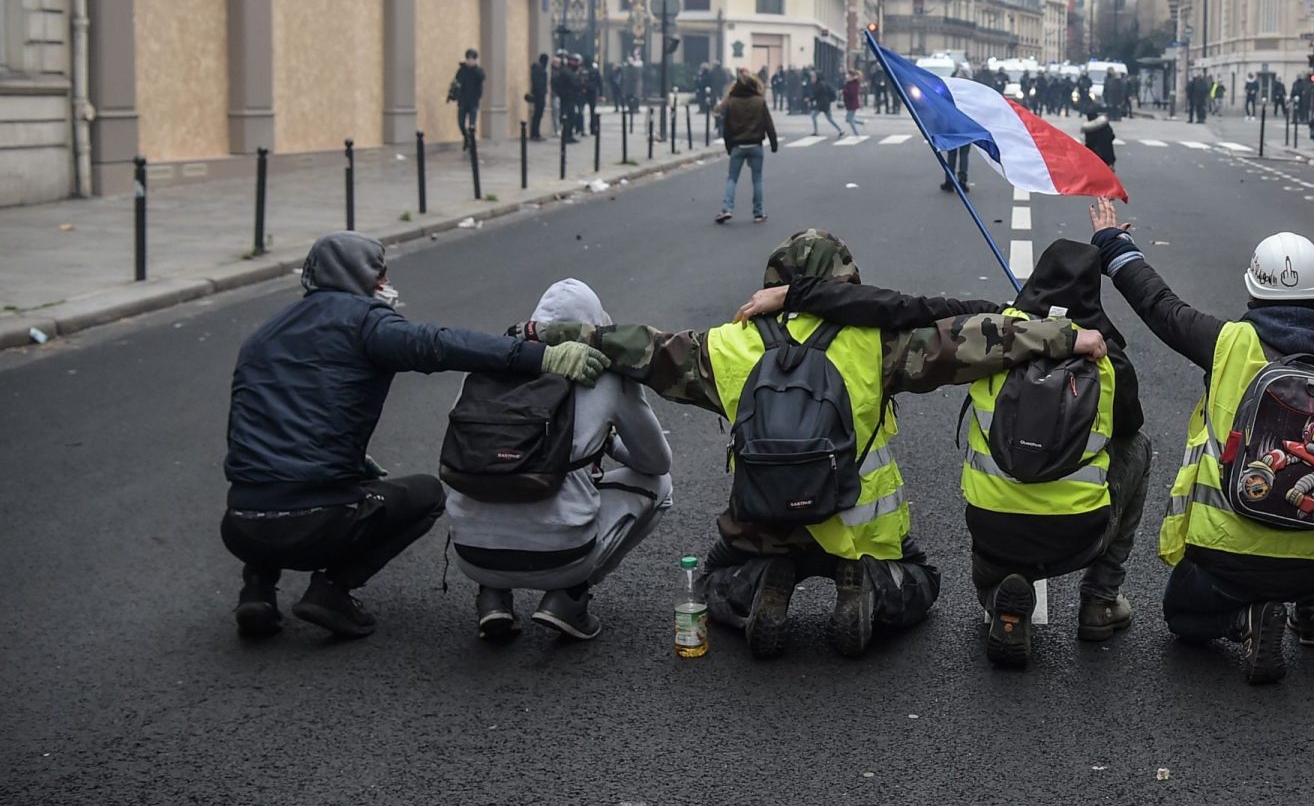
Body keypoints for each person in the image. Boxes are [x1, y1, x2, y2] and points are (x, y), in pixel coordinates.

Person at [529, 230, 1109, 660]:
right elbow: (981, 338)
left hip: (762, 526)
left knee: (711, 581)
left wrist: (546, 335)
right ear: (846, 288)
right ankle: (869, 589)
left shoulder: (731, 344)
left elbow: (644, 348)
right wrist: (1066, 336)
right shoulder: (876, 343)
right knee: (922, 579)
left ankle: (763, 583)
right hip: (861, 530)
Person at [739, 238, 1150, 666]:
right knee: (1138, 447)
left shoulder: (993, 329)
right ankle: (1099, 601)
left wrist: (796, 293)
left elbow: (898, 307)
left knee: (999, 520)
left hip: (996, 534)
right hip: (1079, 537)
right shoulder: (1108, 357)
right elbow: (1127, 429)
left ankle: (1000, 600)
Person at [220, 232, 608, 640]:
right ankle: (331, 590)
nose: (385, 283)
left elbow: (253, 424)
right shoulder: (365, 323)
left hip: (241, 525)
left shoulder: (262, 336)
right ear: (363, 275)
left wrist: (347, 460)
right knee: (425, 494)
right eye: (380, 273)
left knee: (269, 485)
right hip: (317, 524)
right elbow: (442, 345)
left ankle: (257, 590)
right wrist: (540, 356)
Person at [1087, 207, 1314, 684]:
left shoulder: (1226, 345)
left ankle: (1247, 621)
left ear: (1254, 290)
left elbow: (1159, 305)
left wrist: (1112, 244)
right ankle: (1313, 613)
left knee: (1184, 618)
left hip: (1230, 555)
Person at [447, 279, 672, 641]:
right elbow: (656, 462)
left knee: (493, 478)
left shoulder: (486, 364)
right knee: (661, 486)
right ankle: (571, 595)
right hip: (560, 559)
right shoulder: (607, 376)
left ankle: (492, 596)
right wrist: (606, 442)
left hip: (471, 555)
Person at [716, 69, 778, 224]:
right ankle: (758, 212)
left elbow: (727, 127)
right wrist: (773, 143)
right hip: (755, 145)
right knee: (757, 179)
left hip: (738, 145)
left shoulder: (731, 101)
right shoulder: (759, 101)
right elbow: (768, 124)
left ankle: (727, 209)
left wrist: (729, 146)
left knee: (732, 179)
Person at [450, 48, 485, 150]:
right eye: (468, 58)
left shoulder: (478, 71)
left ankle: (471, 143)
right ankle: (466, 138)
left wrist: (474, 68)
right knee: (461, 123)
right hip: (463, 101)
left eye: (472, 59)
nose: (470, 60)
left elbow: (482, 77)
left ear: (475, 60)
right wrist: (454, 93)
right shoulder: (461, 70)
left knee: (472, 125)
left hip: (473, 101)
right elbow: (456, 83)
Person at [1081, 100, 1116, 167]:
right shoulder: (1104, 124)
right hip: (1108, 157)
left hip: (1095, 157)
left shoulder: (1088, 128)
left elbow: (1089, 143)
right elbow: (1112, 136)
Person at [808, 72, 843, 138]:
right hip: (825, 104)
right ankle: (840, 130)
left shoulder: (819, 85)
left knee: (813, 116)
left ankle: (816, 131)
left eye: (813, 77)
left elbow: (816, 95)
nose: (812, 79)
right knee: (829, 119)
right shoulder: (822, 84)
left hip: (822, 104)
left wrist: (809, 99)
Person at [527, 52, 549, 141]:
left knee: (538, 115)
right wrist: (541, 92)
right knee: (537, 115)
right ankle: (535, 134)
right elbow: (538, 84)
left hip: (539, 94)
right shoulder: (539, 70)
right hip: (539, 95)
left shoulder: (538, 70)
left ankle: (536, 133)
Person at [841, 70, 863, 135]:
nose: (846, 76)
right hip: (849, 103)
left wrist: (844, 91)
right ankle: (862, 123)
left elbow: (852, 94)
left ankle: (856, 133)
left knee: (850, 119)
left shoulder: (853, 83)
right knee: (848, 119)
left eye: (848, 75)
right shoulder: (849, 83)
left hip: (852, 103)